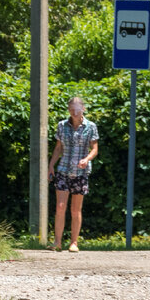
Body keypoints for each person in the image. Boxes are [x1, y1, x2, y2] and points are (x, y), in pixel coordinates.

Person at [46, 96, 99, 252]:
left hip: (81, 172)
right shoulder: (62, 125)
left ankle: (74, 242)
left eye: (76, 109)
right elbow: (58, 148)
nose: (74, 113)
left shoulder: (90, 126)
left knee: (75, 209)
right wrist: (51, 165)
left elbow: (95, 149)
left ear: (83, 109)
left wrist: (87, 158)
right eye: (71, 109)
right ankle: (57, 242)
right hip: (63, 169)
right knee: (60, 207)